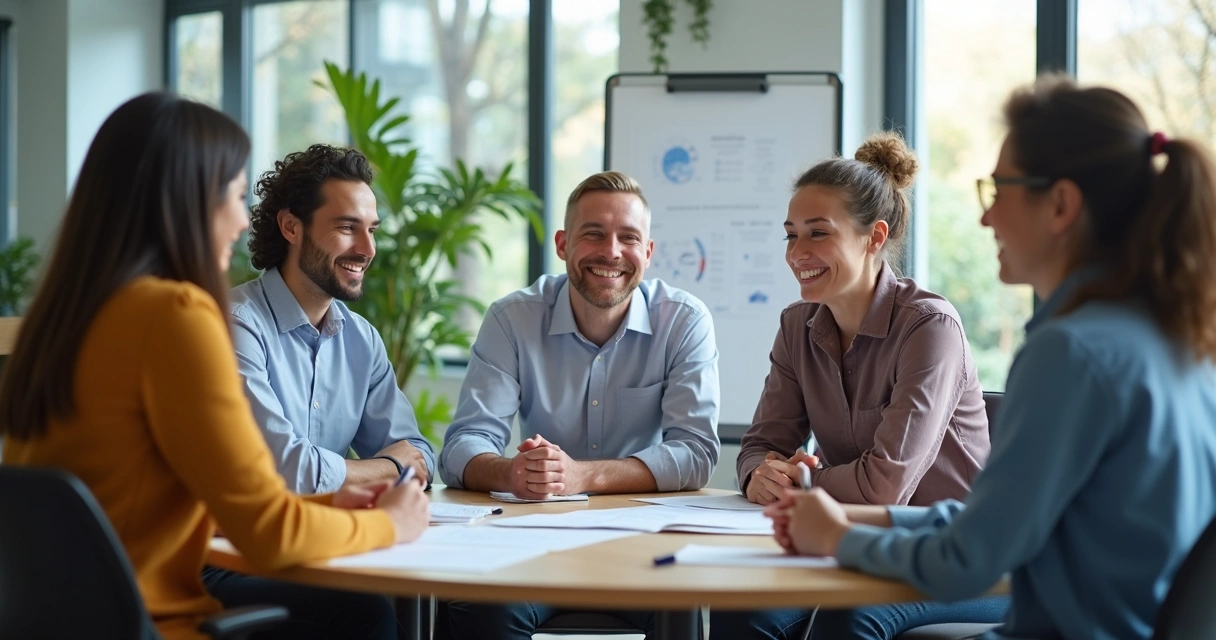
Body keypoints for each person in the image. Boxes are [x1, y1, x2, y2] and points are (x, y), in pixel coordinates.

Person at [765, 76, 1216, 640]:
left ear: (1060, 204)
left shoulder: (1070, 353)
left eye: (998, 191)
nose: (986, 219)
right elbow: (996, 522)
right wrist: (853, 519)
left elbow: (972, 555)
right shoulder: (1175, 335)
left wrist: (839, 537)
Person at [0, 93, 429, 640]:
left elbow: (162, 499)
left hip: (60, 625)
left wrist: (328, 498)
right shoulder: (177, 316)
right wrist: (388, 523)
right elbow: (268, 532)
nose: (238, 220)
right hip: (157, 623)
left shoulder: (64, 319)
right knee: (362, 612)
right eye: (231, 193)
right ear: (182, 200)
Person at [712, 133, 1006, 639]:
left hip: (960, 560)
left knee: (847, 621)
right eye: (791, 235)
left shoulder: (929, 327)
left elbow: (883, 488)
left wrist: (802, 483)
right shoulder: (796, 326)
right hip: (848, 547)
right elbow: (761, 445)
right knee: (740, 611)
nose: (797, 253)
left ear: (874, 238)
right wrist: (759, 472)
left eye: (818, 234)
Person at [438, 170, 721, 640]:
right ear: (563, 244)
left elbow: (696, 453)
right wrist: (511, 473)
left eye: (628, 238)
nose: (611, 252)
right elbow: (462, 447)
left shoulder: (684, 321)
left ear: (647, 254)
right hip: (532, 542)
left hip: (643, 544)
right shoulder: (512, 318)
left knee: (686, 611)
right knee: (476, 608)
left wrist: (579, 476)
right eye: (594, 234)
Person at [228, 143, 434, 494]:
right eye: (347, 227)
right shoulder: (237, 325)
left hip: (335, 534)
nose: (368, 250)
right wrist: (388, 467)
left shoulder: (362, 339)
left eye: (372, 230)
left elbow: (419, 455)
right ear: (291, 228)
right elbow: (280, 470)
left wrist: (391, 465)